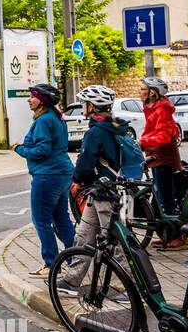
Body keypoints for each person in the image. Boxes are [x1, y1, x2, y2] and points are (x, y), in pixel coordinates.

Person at [58, 86, 131, 285]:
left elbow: (85, 164)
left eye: (84, 102)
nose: (82, 106)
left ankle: (131, 286)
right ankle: (72, 280)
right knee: (83, 237)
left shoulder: (96, 133)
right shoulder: (114, 125)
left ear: (92, 106)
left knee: (115, 243)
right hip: (100, 192)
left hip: (106, 194)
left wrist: (77, 180)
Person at [13, 83, 75, 276]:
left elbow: (42, 150)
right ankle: (76, 259)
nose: (29, 99)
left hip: (47, 175)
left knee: (41, 220)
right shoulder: (57, 118)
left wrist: (20, 149)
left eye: (32, 96)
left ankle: (51, 263)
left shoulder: (43, 120)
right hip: (63, 173)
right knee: (61, 217)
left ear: (43, 100)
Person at [139, 76, 187, 250]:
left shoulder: (161, 110)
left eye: (143, 89)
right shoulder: (152, 108)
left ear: (153, 93)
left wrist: (143, 142)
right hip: (156, 157)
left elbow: (164, 137)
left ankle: (180, 238)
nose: (140, 92)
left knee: (167, 200)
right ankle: (167, 234)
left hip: (164, 159)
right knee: (160, 198)